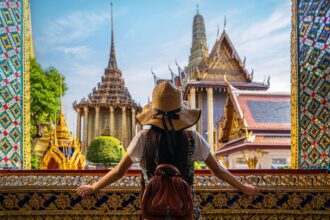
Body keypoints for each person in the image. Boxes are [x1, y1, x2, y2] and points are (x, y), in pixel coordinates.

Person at [77, 81, 258, 218]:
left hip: (152, 210)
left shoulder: (143, 137)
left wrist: (94, 187)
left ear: (154, 113)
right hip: (184, 210)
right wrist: (244, 187)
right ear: (180, 112)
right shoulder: (191, 138)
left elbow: (119, 171)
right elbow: (218, 170)